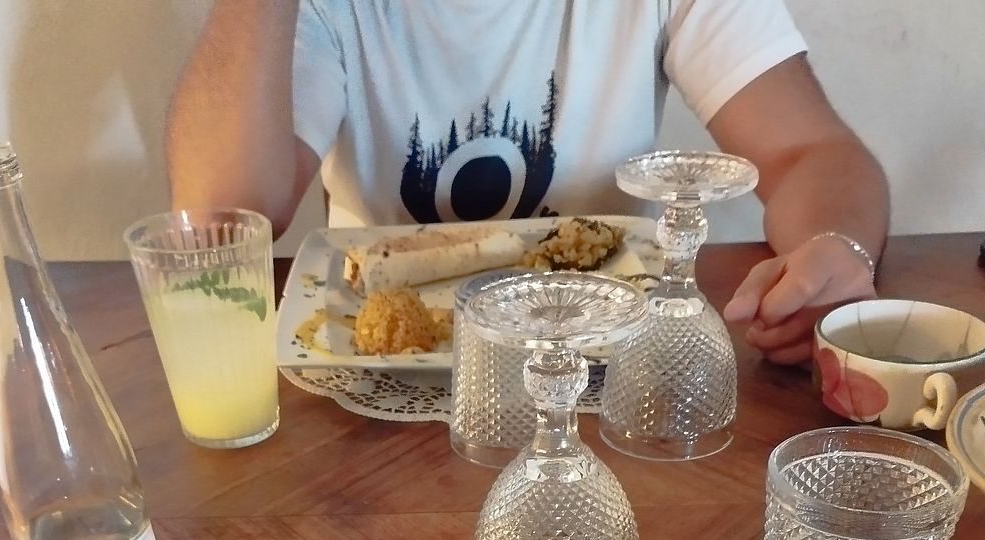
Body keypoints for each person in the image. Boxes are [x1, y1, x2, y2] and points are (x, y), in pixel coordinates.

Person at [167, 0, 888, 365]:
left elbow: (813, 152)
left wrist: (835, 250)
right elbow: (219, 221)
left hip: (604, 372)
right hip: (373, 378)